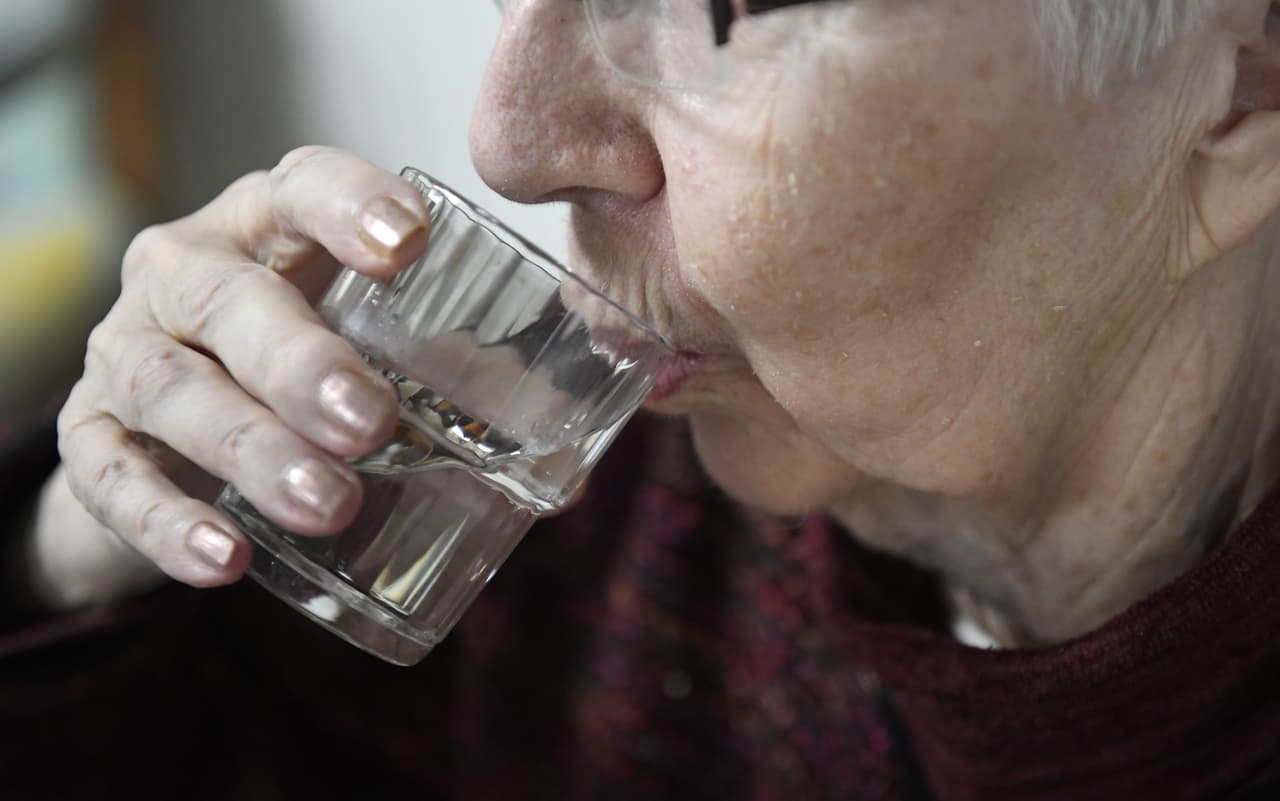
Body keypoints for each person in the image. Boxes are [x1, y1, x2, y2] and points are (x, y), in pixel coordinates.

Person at [4, 0, 1280, 798]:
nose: (509, 140)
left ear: (1245, 80)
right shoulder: (555, 515)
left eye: (716, 10)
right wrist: (85, 555)